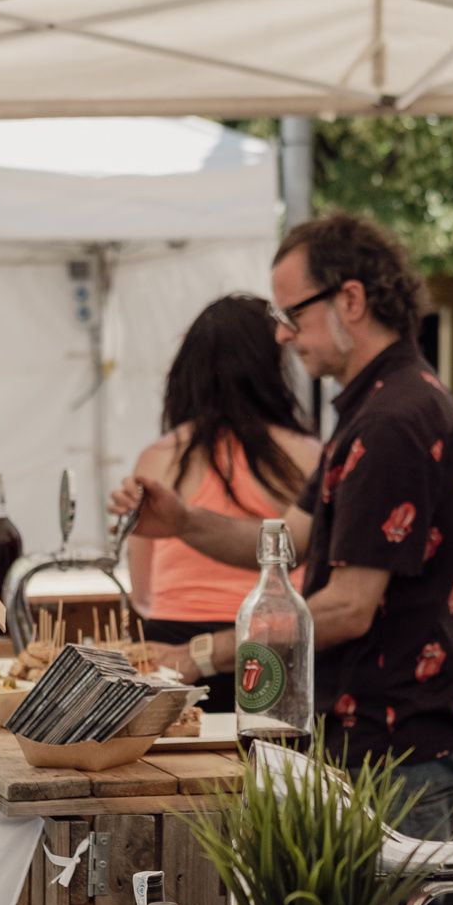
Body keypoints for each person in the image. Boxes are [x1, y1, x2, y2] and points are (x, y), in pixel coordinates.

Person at [113, 213, 453, 838]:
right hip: (373, 744)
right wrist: (180, 519)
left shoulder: (393, 418)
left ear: (352, 299)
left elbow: (346, 608)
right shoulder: (376, 406)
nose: (284, 337)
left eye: (292, 315)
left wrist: (195, 654)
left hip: (390, 753)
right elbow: (283, 542)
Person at [126, 294, 321, 712]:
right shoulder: (308, 456)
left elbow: (142, 591)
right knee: (274, 771)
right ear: (274, 371)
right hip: (273, 642)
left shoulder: (157, 458)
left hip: (172, 643)